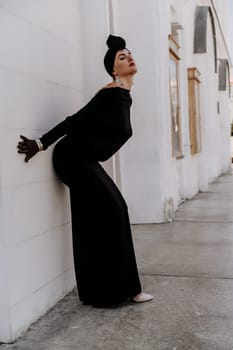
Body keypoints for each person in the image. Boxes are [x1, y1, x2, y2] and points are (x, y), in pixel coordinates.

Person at [17, 34, 153, 307]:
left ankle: (108, 290)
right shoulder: (110, 93)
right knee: (114, 210)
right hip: (71, 158)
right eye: (121, 57)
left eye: (129, 54)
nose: (129, 57)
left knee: (98, 216)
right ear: (114, 69)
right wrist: (40, 143)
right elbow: (74, 121)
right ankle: (115, 291)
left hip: (85, 160)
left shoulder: (124, 96)